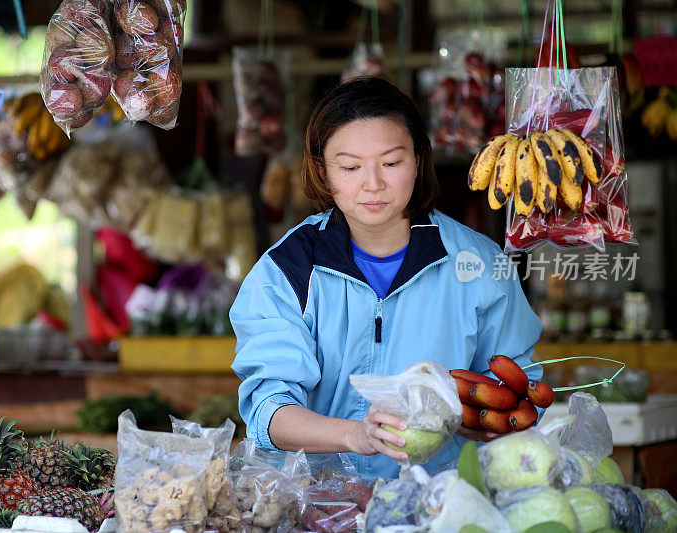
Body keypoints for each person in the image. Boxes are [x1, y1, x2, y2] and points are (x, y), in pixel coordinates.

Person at [230, 77, 542, 480]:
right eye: (351, 167)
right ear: (324, 172)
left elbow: (521, 393)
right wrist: (355, 435)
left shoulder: (478, 263)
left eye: (391, 163)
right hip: (319, 506)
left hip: (438, 505)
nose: (372, 184)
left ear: (417, 162)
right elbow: (268, 410)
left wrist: (480, 422)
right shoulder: (287, 270)